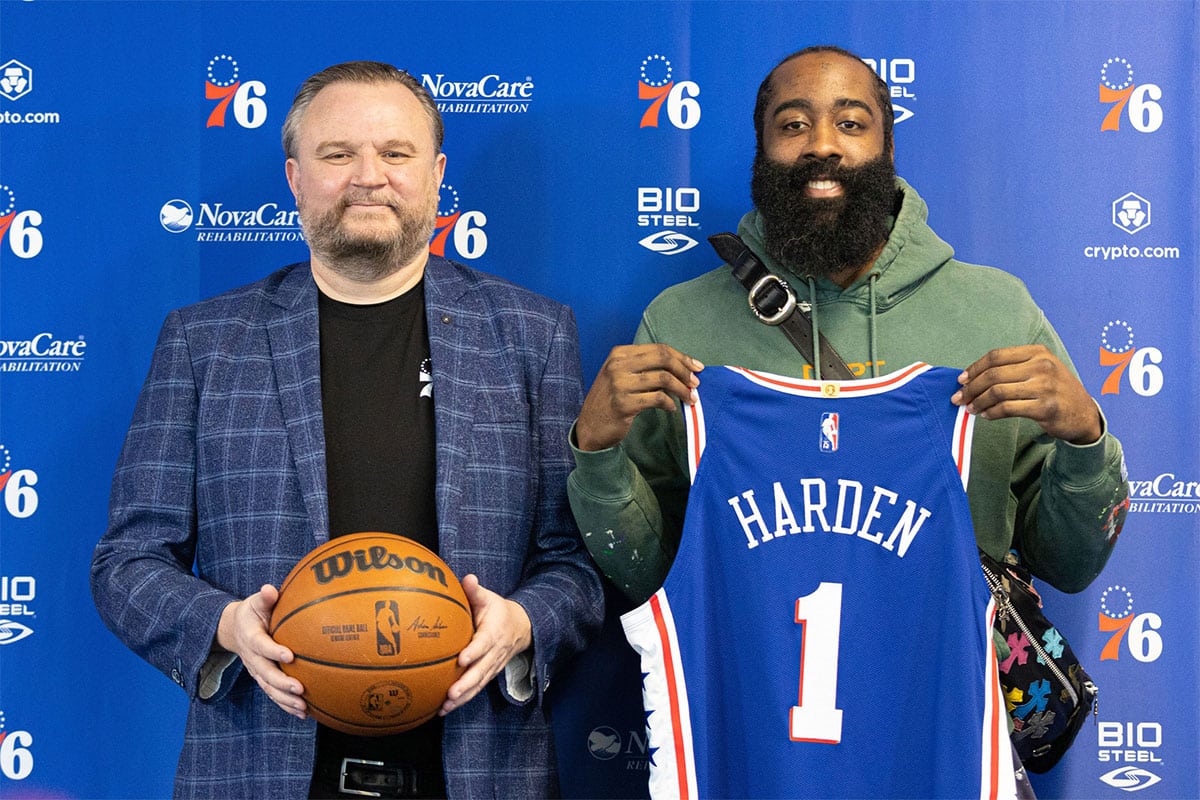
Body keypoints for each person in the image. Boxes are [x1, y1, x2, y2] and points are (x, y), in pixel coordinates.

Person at [567, 46, 1127, 795]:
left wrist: (1086, 439)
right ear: (763, 148)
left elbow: (1072, 562)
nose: (821, 143)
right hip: (752, 742)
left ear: (886, 146)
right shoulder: (682, 325)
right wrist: (598, 457)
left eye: (851, 122)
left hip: (946, 740)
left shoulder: (995, 313)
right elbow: (656, 573)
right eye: (792, 124)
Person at [91, 61, 602, 800]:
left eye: (396, 153)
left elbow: (578, 566)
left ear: (436, 176)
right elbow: (127, 562)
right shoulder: (204, 343)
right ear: (296, 178)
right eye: (338, 155)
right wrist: (227, 626)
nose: (370, 177)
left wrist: (520, 624)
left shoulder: (533, 337)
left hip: (479, 772)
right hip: (260, 771)